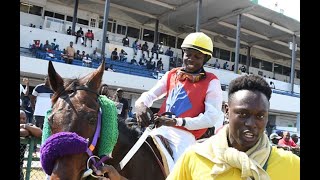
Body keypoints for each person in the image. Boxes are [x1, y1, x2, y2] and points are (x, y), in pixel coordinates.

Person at [167, 74, 300, 179]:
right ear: (226, 110)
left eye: (260, 116)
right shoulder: (195, 156)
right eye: (243, 114)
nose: (251, 124)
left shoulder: (291, 164)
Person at [135, 32, 224, 171]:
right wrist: (140, 105)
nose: (191, 59)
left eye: (197, 57)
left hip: (184, 139)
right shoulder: (172, 74)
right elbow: (151, 95)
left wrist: (177, 122)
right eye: (188, 54)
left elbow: (211, 118)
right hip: (158, 130)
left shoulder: (212, 81)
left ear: (205, 59)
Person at [20, 110, 42, 180]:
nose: (22, 120)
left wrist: (25, 126)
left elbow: (39, 132)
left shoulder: (27, 126)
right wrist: (29, 132)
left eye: (24, 118)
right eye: (20, 118)